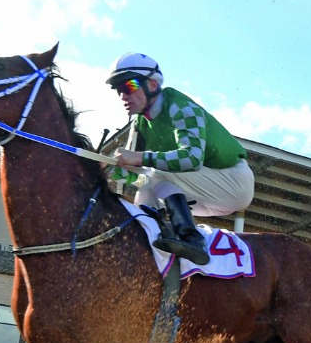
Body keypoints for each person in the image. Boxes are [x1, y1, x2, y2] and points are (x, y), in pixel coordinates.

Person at [105, 52, 255, 265]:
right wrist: (104, 167)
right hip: (202, 197)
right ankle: (145, 241)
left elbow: (191, 159)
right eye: (119, 90)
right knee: (146, 183)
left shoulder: (181, 108)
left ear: (153, 85)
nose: (123, 96)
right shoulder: (139, 123)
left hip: (234, 183)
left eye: (129, 86)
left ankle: (191, 239)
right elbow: (130, 176)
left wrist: (138, 158)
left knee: (155, 171)